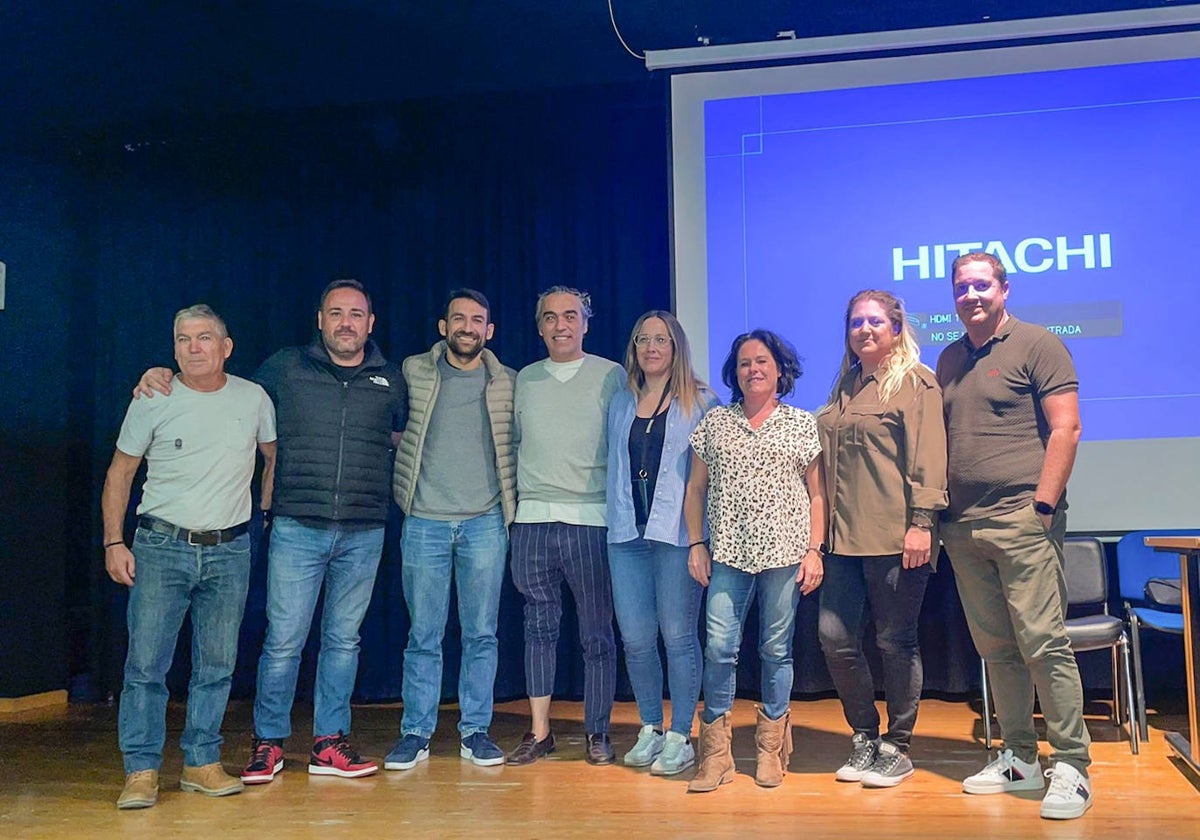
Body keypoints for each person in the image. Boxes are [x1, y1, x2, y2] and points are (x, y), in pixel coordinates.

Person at [135, 279, 407, 782]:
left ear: (370, 323)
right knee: (283, 640)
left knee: (344, 641)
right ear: (320, 320)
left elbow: (398, 436)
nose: (346, 322)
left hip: (364, 529)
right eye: (336, 313)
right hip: (296, 526)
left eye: (356, 314)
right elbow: (221, 390)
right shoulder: (283, 369)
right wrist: (161, 374)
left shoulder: (391, 378)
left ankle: (330, 743)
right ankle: (269, 743)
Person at [936, 252, 1091, 820]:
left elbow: (1067, 427)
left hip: (1023, 520)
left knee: (1042, 642)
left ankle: (1072, 763)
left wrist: (1043, 506)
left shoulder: (1039, 344)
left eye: (981, 285)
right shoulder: (949, 358)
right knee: (996, 649)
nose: (971, 296)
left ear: (1003, 289)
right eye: (961, 287)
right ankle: (1020, 757)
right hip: (963, 527)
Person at [104, 304, 276, 809]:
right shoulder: (154, 396)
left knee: (217, 665)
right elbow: (119, 474)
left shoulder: (254, 398)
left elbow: (272, 458)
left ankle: (202, 762)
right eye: (183, 339)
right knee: (145, 666)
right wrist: (114, 541)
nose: (193, 348)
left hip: (229, 550)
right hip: (160, 547)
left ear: (227, 347)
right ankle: (141, 769)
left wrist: (262, 514)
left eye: (204, 338)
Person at [683, 329, 827, 792]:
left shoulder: (802, 424)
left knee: (775, 650)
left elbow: (818, 495)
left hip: (786, 554)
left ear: (779, 370)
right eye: (745, 363)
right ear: (735, 372)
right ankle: (717, 756)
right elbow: (695, 489)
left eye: (762, 361)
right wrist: (695, 543)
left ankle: (769, 749)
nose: (754, 370)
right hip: (727, 553)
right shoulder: (715, 423)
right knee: (720, 649)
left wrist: (814, 550)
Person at [815, 290, 947, 788]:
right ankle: (865, 735)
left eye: (874, 321)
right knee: (834, 637)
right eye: (856, 322)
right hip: (842, 540)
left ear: (895, 327)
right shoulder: (845, 384)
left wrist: (923, 524)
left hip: (898, 536)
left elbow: (929, 458)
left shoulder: (916, 383)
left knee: (895, 642)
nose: (864, 329)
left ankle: (899, 745)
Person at [385, 289, 516, 770]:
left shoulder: (507, 382)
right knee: (424, 634)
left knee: (482, 634)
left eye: (476, 320)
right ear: (443, 326)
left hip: (485, 523)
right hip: (424, 522)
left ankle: (475, 730)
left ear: (489, 331)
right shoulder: (412, 371)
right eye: (457, 318)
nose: (467, 326)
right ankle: (416, 732)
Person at [506, 286, 625, 766]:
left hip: (591, 521)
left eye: (571, 316)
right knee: (538, 629)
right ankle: (540, 732)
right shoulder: (523, 381)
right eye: (551, 317)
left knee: (597, 633)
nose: (561, 325)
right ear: (539, 327)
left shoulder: (611, 376)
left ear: (586, 323)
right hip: (531, 522)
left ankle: (598, 732)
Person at [605, 311, 719, 775]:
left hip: (676, 535)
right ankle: (651, 726)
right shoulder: (619, 400)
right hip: (626, 534)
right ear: (634, 349)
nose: (651, 348)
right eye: (643, 340)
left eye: (662, 340)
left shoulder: (703, 402)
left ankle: (681, 734)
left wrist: (700, 541)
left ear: (677, 348)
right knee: (635, 639)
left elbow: (711, 479)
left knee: (677, 637)